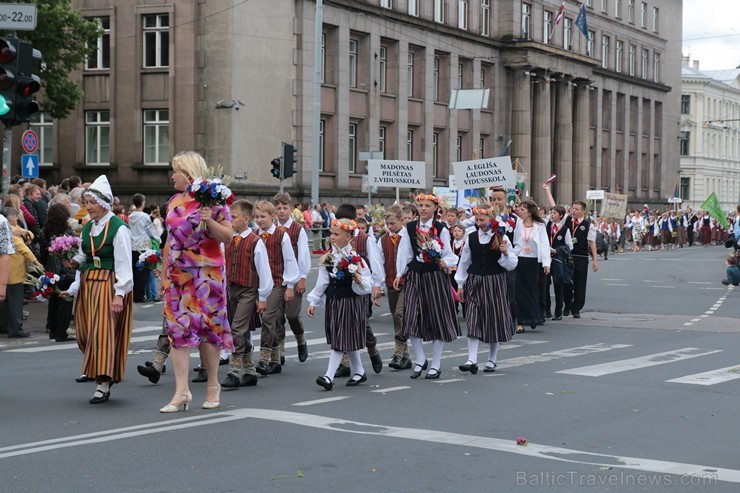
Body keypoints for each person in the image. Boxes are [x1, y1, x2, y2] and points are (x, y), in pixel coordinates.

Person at [159, 151, 233, 412]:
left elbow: (227, 235)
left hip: (207, 272)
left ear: (188, 173)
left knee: (208, 330)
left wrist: (209, 219)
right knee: (177, 330)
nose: (172, 175)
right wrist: (163, 273)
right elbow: (169, 239)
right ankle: (181, 391)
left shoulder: (214, 199)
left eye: (175, 171)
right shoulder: (174, 201)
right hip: (179, 274)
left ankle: (213, 386)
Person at [63, 175, 134, 404]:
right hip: (89, 284)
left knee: (102, 335)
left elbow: (124, 263)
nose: (89, 207)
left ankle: (103, 383)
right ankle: (100, 370)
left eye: (92, 203)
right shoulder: (89, 228)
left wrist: (119, 295)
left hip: (108, 284)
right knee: (84, 334)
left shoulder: (118, 228)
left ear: (104, 203)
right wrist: (74, 261)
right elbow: (86, 253)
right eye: (87, 203)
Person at [393, 193, 460, 380]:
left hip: (435, 277)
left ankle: (436, 363)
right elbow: (405, 252)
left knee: (436, 318)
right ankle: (420, 359)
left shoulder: (441, 229)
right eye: (421, 205)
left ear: (435, 208)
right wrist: (400, 273)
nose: (423, 208)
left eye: (427, 205)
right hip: (416, 276)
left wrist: (445, 263)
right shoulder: (410, 227)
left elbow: (448, 253)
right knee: (412, 317)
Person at [308, 218, 372, 390]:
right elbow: (322, 281)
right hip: (335, 302)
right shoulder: (328, 257)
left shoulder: (355, 258)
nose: (332, 237)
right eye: (331, 234)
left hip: (350, 302)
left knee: (340, 338)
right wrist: (313, 301)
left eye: (336, 234)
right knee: (344, 337)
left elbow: (366, 282)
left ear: (348, 237)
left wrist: (357, 277)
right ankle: (359, 371)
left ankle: (328, 377)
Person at [455, 204, 517, 374]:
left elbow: (511, 265)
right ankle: (471, 359)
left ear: (491, 219)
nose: (479, 223)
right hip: (475, 281)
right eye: (477, 220)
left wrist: (505, 253)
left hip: (494, 281)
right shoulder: (471, 237)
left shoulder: (500, 236)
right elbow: (464, 261)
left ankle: (492, 359)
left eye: (482, 220)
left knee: (493, 319)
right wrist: (460, 284)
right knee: (473, 318)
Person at [221, 200, 273, 389]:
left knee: (238, 329)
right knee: (238, 330)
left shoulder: (255, 242)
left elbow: (264, 271)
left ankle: (234, 372)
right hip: (231, 289)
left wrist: (263, 297)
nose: (230, 220)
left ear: (245, 219)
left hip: (248, 290)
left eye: (233, 217)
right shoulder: (227, 240)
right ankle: (250, 371)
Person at [252, 200, 299, 376]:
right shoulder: (254, 235)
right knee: (268, 319)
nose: (259, 220)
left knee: (268, 318)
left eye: (263, 216)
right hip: (258, 284)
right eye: (256, 217)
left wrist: (290, 285)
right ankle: (275, 358)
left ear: (272, 216)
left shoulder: (281, 236)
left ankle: (264, 359)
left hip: (277, 283)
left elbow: (289, 261)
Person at [273, 193, 310, 364]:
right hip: (276, 277)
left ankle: (300, 339)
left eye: (285, 208)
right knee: (276, 316)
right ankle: (280, 351)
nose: (281, 211)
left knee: (293, 314)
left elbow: (303, 254)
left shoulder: (297, 229)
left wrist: (302, 277)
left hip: (294, 277)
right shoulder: (271, 228)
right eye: (278, 208)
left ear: (290, 209)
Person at [0, 208, 42, 338]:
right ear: (10, 218)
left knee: (5, 303)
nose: (18, 219)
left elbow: (30, 235)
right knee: (16, 303)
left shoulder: (13, 228)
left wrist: (23, 232)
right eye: (16, 216)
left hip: (5, 272)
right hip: (14, 273)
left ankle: (4, 326)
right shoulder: (10, 230)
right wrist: (36, 262)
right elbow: (23, 248)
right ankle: (16, 329)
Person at [378, 205, 411, 370]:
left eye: (393, 223)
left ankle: (398, 353)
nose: (390, 227)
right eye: (387, 224)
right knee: (396, 317)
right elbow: (379, 262)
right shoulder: (383, 240)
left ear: (402, 220)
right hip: (391, 282)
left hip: (407, 282)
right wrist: (378, 285)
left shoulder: (408, 236)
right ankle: (406, 356)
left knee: (400, 313)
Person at [39, 203, 77, 341]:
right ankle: (61, 331)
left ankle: (52, 328)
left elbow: (42, 253)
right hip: (65, 270)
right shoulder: (68, 233)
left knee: (54, 299)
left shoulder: (44, 232)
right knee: (66, 300)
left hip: (50, 270)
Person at [512, 200, 550, 333]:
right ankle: (520, 321)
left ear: (529, 212)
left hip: (534, 261)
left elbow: (545, 244)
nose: (519, 211)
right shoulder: (518, 224)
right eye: (519, 209)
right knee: (519, 291)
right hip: (520, 259)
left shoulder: (540, 225)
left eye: (522, 209)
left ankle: (533, 317)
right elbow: (516, 242)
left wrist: (546, 263)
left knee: (533, 290)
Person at [128, 193, 159, 302]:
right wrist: (158, 239)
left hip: (132, 247)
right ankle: (140, 295)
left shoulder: (130, 216)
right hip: (143, 247)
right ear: (142, 203)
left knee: (135, 272)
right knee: (143, 273)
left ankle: (135, 294)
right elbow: (150, 230)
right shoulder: (145, 217)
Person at [546, 206, 573, 321]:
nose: (552, 215)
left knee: (558, 285)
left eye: (555, 213)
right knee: (545, 285)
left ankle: (558, 311)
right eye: (551, 213)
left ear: (561, 216)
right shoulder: (546, 227)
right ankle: (546, 310)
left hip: (558, 261)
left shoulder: (565, 229)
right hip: (546, 259)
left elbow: (569, 246)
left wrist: (557, 250)